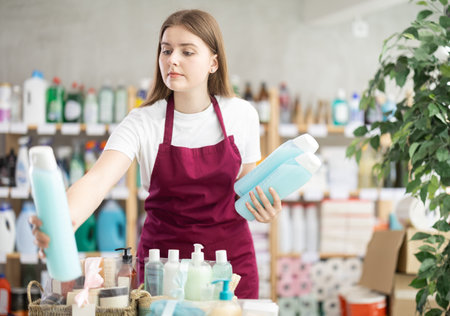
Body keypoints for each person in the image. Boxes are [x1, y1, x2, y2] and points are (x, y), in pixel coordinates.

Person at [31, 9, 282, 299]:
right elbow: (97, 180)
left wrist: (265, 206)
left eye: (187, 51)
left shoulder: (241, 114)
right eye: (166, 50)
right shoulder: (143, 121)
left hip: (229, 267)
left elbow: (248, 182)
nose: (172, 59)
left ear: (214, 62)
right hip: (161, 267)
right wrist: (62, 219)